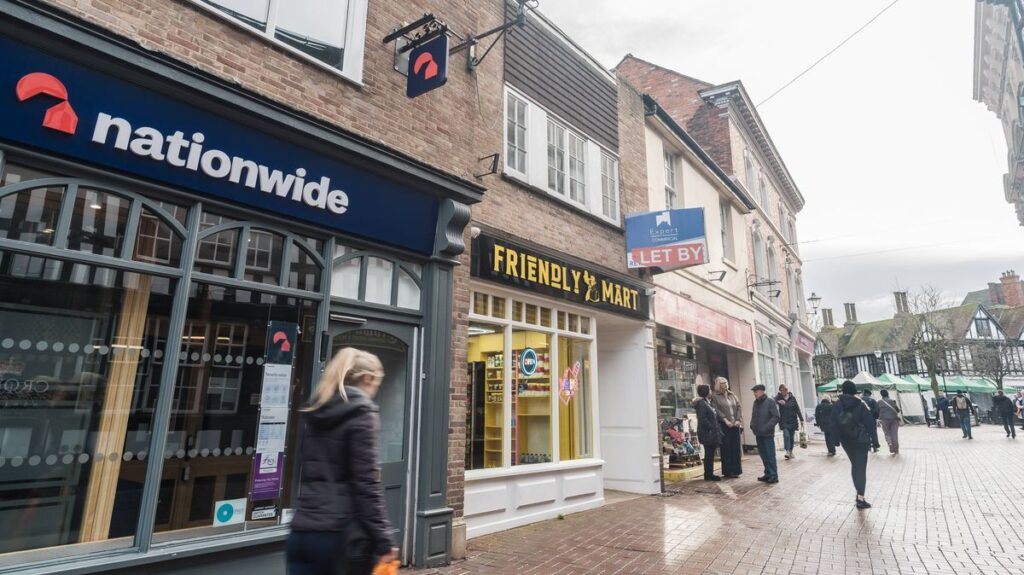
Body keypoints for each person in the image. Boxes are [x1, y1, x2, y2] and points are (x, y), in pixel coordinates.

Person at [287, 348, 399, 575]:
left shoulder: (316, 408)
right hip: (336, 536)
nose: (375, 391)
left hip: (300, 532)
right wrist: (384, 540)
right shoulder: (362, 412)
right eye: (377, 384)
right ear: (367, 379)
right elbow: (366, 484)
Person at [830, 380, 875, 509]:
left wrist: (836, 440)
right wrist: (874, 440)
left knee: (855, 465)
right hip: (860, 440)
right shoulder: (860, 404)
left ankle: (859, 495)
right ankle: (860, 496)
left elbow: (833, 422)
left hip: (846, 440)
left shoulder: (838, 405)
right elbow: (869, 422)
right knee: (860, 467)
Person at [711, 377, 743, 478]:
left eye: (726, 383)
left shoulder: (732, 394)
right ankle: (728, 471)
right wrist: (725, 420)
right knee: (726, 449)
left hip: (735, 425)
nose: (725, 385)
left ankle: (736, 470)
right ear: (718, 385)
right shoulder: (715, 396)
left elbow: (738, 407)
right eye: (722, 383)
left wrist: (738, 420)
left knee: (736, 448)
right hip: (724, 425)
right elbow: (716, 410)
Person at [750, 384, 781, 484]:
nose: (754, 393)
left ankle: (773, 475)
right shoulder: (756, 402)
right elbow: (754, 415)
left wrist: (767, 428)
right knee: (763, 455)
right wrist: (752, 425)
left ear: (762, 391)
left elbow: (776, 417)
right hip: (758, 433)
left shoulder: (770, 401)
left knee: (770, 455)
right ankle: (767, 473)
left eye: (756, 391)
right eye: (754, 392)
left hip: (767, 434)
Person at [694, 384, 724, 481]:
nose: (711, 391)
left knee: (710, 454)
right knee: (709, 454)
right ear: (706, 392)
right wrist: (711, 428)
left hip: (711, 432)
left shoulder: (707, 402)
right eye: (709, 390)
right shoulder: (702, 404)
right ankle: (708, 474)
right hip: (707, 433)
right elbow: (703, 418)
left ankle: (710, 473)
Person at [775, 384, 804, 459]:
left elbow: (797, 409)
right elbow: (773, 401)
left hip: (793, 421)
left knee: (791, 437)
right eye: (780, 391)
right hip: (784, 421)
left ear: (786, 390)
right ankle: (787, 451)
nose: (782, 392)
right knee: (786, 435)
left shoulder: (792, 398)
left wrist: (801, 419)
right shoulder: (779, 397)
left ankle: (791, 451)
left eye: (783, 390)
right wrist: (778, 402)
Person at [877, 389, 902, 454]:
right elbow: (898, 410)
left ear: (881, 395)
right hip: (894, 419)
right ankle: (896, 449)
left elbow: (877, 411)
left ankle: (890, 443)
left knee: (887, 433)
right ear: (888, 394)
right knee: (894, 434)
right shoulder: (892, 401)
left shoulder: (879, 402)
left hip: (884, 420)